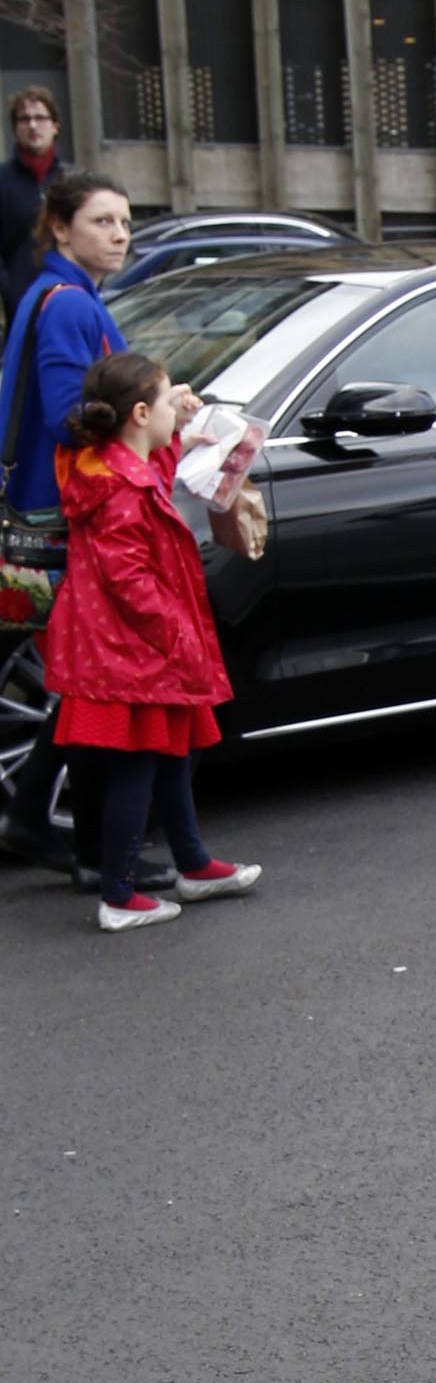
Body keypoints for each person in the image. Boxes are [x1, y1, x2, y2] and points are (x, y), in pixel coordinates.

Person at [44, 349, 259, 932]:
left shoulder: (109, 465)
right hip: (133, 652)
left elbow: (154, 459)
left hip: (122, 648)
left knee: (167, 756)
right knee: (139, 768)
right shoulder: (123, 489)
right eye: (168, 401)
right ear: (139, 412)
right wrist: (177, 632)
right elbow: (130, 580)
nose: (177, 410)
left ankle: (192, 864)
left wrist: (182, 425)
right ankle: (118, 895)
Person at [0, 171, 139, 879]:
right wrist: (148, 411)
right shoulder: (67, 306)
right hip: (64, 524)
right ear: (59, 228)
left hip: (48, 517)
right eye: (101, 222)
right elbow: (68, 416)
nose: (118, 234)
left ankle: (33, 822)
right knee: (93, 683)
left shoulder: (58, 296)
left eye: (124, 221)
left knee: (80, 685)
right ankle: (94, 851)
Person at [0, 87, 65, 324]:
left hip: (66, 297)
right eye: (25, 119)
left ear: (55, 126)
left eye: (40, 118)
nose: (33, 126)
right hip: (20, 305)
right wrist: (11, 292)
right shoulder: (3, 180)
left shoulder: (71, 179)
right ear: (16, 129)